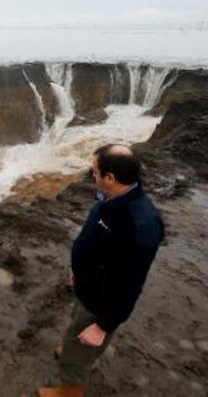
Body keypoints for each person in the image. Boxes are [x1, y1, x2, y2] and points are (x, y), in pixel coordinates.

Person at [38, 144, 165, 397]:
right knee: (76, 327)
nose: (91, 174)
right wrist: (78, 269)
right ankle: (73, 348)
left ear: (110, 177)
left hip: (101, 300)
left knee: (83, 344)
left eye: (95, 171)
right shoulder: (112, 199)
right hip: (88, 285)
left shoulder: (140, 225)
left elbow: (130, 284)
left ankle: (69, 391)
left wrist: (103, 325)